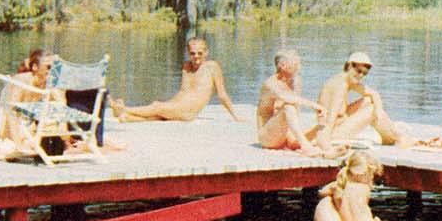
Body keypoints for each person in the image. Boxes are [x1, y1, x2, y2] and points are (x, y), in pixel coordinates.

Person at [111, 38, 241, 122]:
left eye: (200, 53)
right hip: (179, 107)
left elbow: (222, 94)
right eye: (193, 53)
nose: (196, 57)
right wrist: (169, 104)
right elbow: (183, 92)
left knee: (157, 106)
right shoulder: (186, 66)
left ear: (206, 52)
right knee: (158, 114)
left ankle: (124, 109)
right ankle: (126, 117)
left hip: (189, 113)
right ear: (188, 52)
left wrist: (235, 116)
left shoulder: (212, 66)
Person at [314, 51, 410, 156]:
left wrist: (379, 111)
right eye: (358, 71)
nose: (361, 76)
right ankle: (396, 137)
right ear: (350, 66)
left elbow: (374, 94)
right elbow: (330, 119)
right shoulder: (340, 86)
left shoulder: (346, 80)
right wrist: (325, 144)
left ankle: (391, 136)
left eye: (364, 73)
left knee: (369, 101)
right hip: (332, 133)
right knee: (371, 110)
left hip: (338, 126)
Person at [256, 50, 324, 154]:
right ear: (282, 66)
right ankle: (305, 146)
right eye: (296, 64)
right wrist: (313, 105)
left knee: (325, 122)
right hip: (267, 137)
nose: (299, 67)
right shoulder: (270, 84)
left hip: (286, 135)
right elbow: (286, 98)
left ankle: (325, 147)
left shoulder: (296, 81)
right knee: (288, 107)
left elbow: (296, 111)